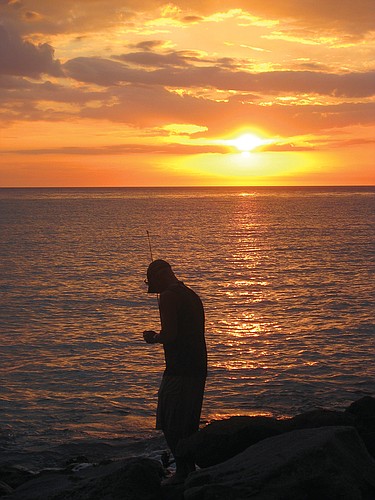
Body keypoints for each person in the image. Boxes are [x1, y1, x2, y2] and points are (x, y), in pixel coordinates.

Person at [143, 259, 207, 484]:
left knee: (170, 422)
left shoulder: (169, 296)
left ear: (158, 278)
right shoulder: (191, 295)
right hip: (198, 368)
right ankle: (189, 469)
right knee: (188, 423)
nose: (155, 290)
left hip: (178, 370)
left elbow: (170, 335)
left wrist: (154, 338)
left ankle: (182, 472)